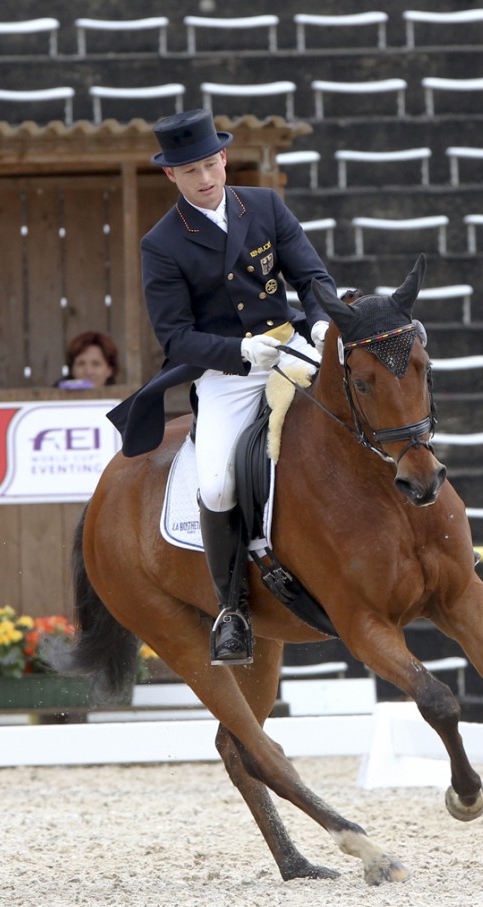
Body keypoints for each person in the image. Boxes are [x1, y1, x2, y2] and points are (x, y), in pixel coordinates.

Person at [107, 108, 335, 666]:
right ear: (171, 176)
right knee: (214, 486)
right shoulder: (162, 244)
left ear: (224, 158)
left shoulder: (264, 206)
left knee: (365, 405)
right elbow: (175, 336)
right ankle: (232, 610)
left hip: (289, 347)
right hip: (225, 374)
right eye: (191, 171)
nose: (205, 179)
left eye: (211, 164)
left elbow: (309, 276)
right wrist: (236, 351)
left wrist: (325, 321)